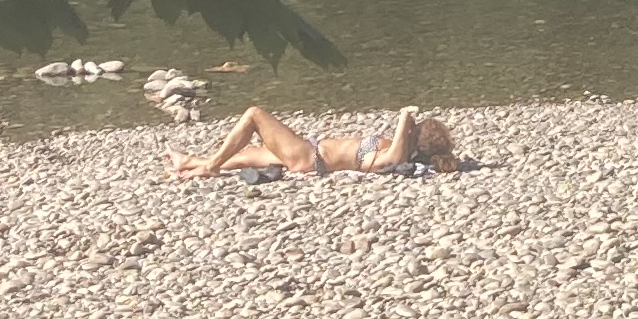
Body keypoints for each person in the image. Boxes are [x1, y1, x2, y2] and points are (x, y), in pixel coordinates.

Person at [169, 103, 463, 179]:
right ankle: (190, 163)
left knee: (254, 115)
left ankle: (210, 166)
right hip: (310, 153)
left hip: (309, 157)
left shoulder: (395, 156)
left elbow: (394, 156)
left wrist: (405, 118)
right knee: (250, 154)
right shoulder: (396, 150)